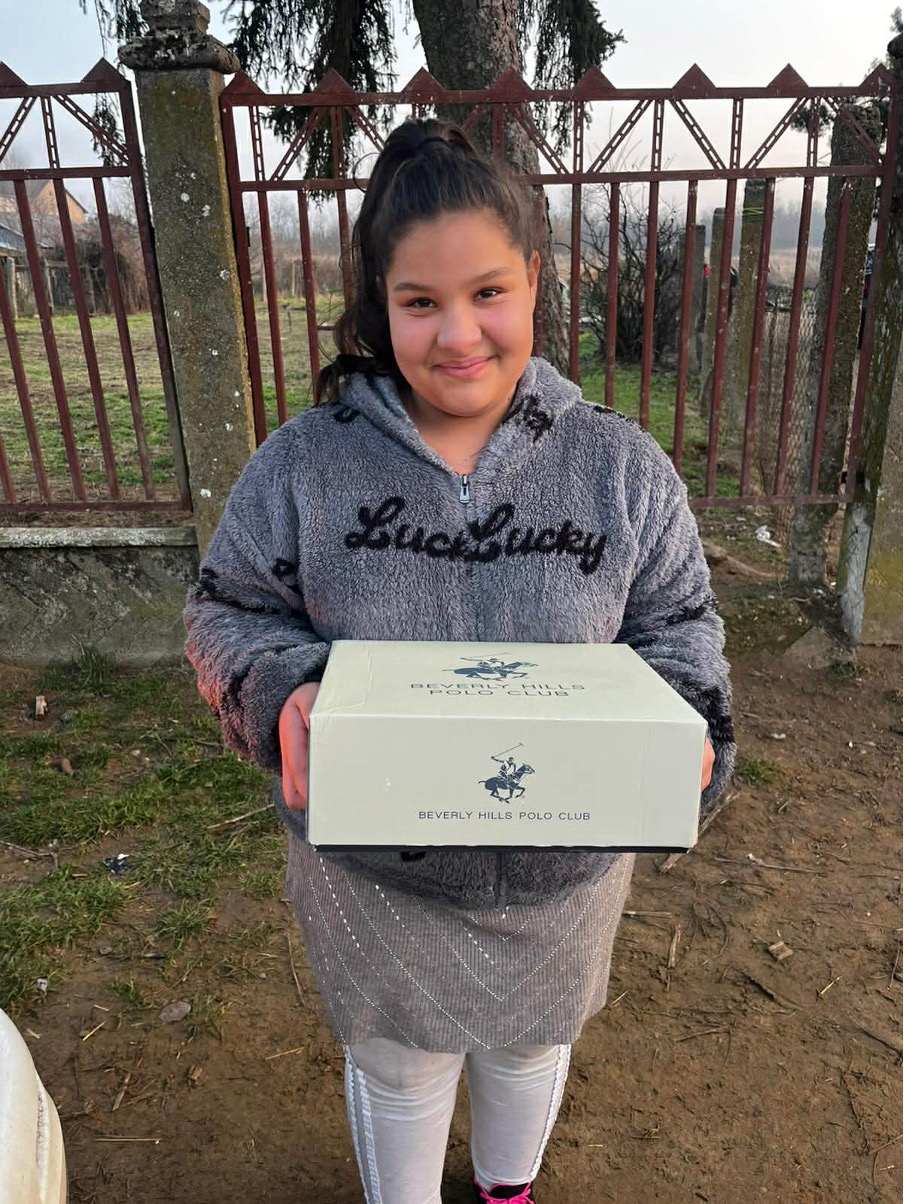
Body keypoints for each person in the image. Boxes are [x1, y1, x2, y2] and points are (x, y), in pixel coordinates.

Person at [184, 118, 735, 1204]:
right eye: (420, 302)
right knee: (402, 1060)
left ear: (533, 279)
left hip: (563, 865)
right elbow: (227, 609)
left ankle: (505, 1191)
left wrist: (687, 724)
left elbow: (680, 624)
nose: (458, 334)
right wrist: (281, 690)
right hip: (375, 869)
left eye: (487, 292)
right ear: (377, 304)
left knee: (531, 1042)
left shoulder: (619, 466)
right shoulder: (303, 468)